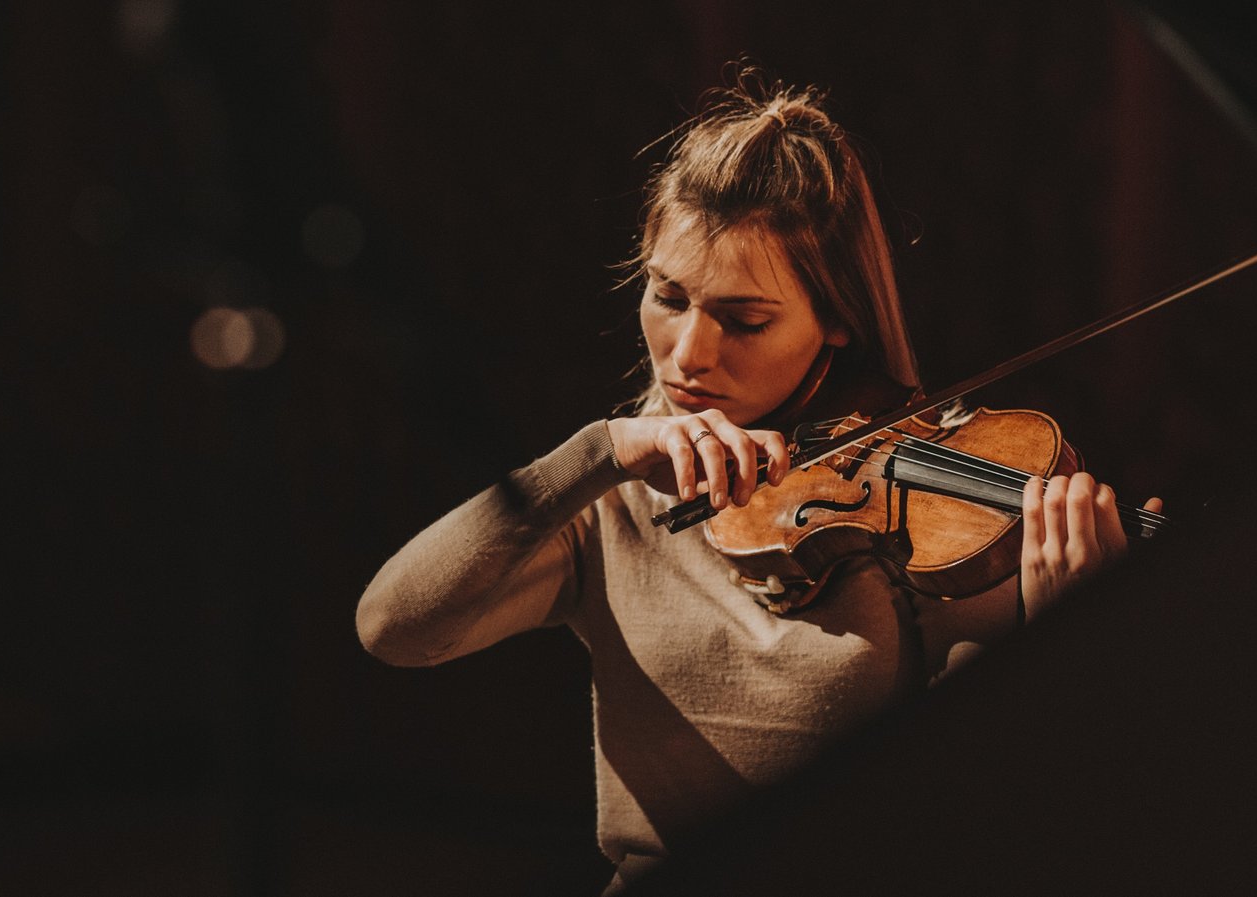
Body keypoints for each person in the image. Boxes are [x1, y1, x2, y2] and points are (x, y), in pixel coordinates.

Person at [356, 73, 1162, 891]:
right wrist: (596, 451)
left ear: (838, 318)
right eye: (667, 297)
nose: (689, 354)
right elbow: (394, 626)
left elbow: (970, 812)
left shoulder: (928, 514)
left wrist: (1061, 640)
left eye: (744, 321)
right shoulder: (611, 501)